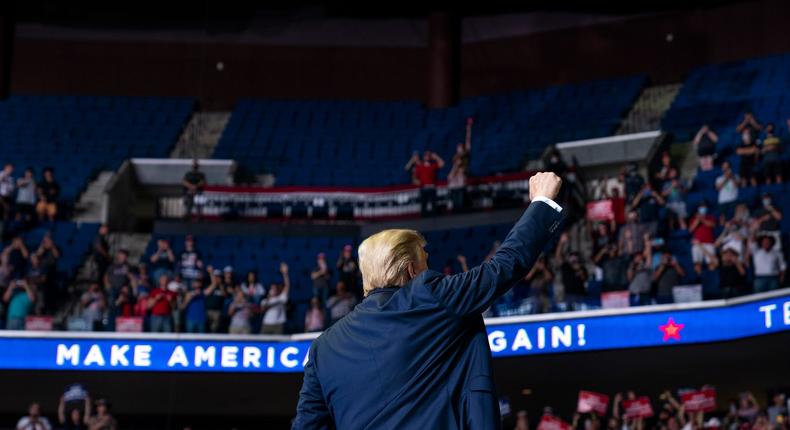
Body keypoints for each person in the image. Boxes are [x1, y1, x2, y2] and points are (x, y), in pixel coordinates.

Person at [292, 172, 563, 429]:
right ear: (411, 270)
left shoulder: (322, 349)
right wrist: (542, 202)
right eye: (425, 263)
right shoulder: (427, 296)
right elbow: (502, 268)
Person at [405, 150, 445, 216]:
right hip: (424, 188)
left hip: (432, 187)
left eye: (428, 155)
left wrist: (436, 157)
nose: (427, 157)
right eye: (426, 155)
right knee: (423, 205)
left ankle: (435, 218)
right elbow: (412, 174)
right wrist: (415, 180)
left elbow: (442, 164)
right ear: (423, 157)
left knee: (434, 205)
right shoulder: (420, 166)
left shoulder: (433, 165)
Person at [261, 263, 290, 335]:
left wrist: (285, 274)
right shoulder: (264, 301)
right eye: (272, 288)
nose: (273, 290)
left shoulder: (281, 298)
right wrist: (269, 297)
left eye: (275, 288)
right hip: (266, 324)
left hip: (278, 325)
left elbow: (287, 286)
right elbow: (263, 308)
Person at [689, 202, 717, 275]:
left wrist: (702, 219)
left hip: (709, 243)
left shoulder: (710, 217)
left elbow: (712, 225)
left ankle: (712, 278)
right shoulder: (693, 218)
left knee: (711, 263)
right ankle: (700, 279)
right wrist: (697, 221)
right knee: (697, 264)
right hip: (697, 243)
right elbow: (690, 230)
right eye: (701, 208)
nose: (703, 209)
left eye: (704, 208)